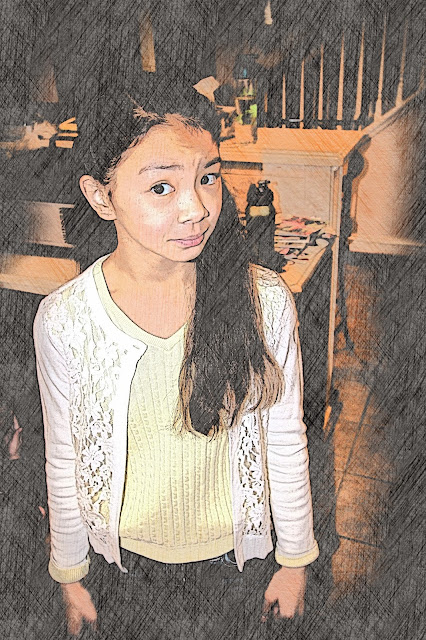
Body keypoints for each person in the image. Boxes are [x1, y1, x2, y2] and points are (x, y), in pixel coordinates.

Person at [33, 81, 319, 639]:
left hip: (238, 565)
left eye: (207, 177)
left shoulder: (262, 301)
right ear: (101, 196)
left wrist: (295, 561)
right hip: (122, 568)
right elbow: (63, 457)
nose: (196, 209)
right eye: (161, 187)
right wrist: (70, 573)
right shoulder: (66, 320)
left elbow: (285, 439)